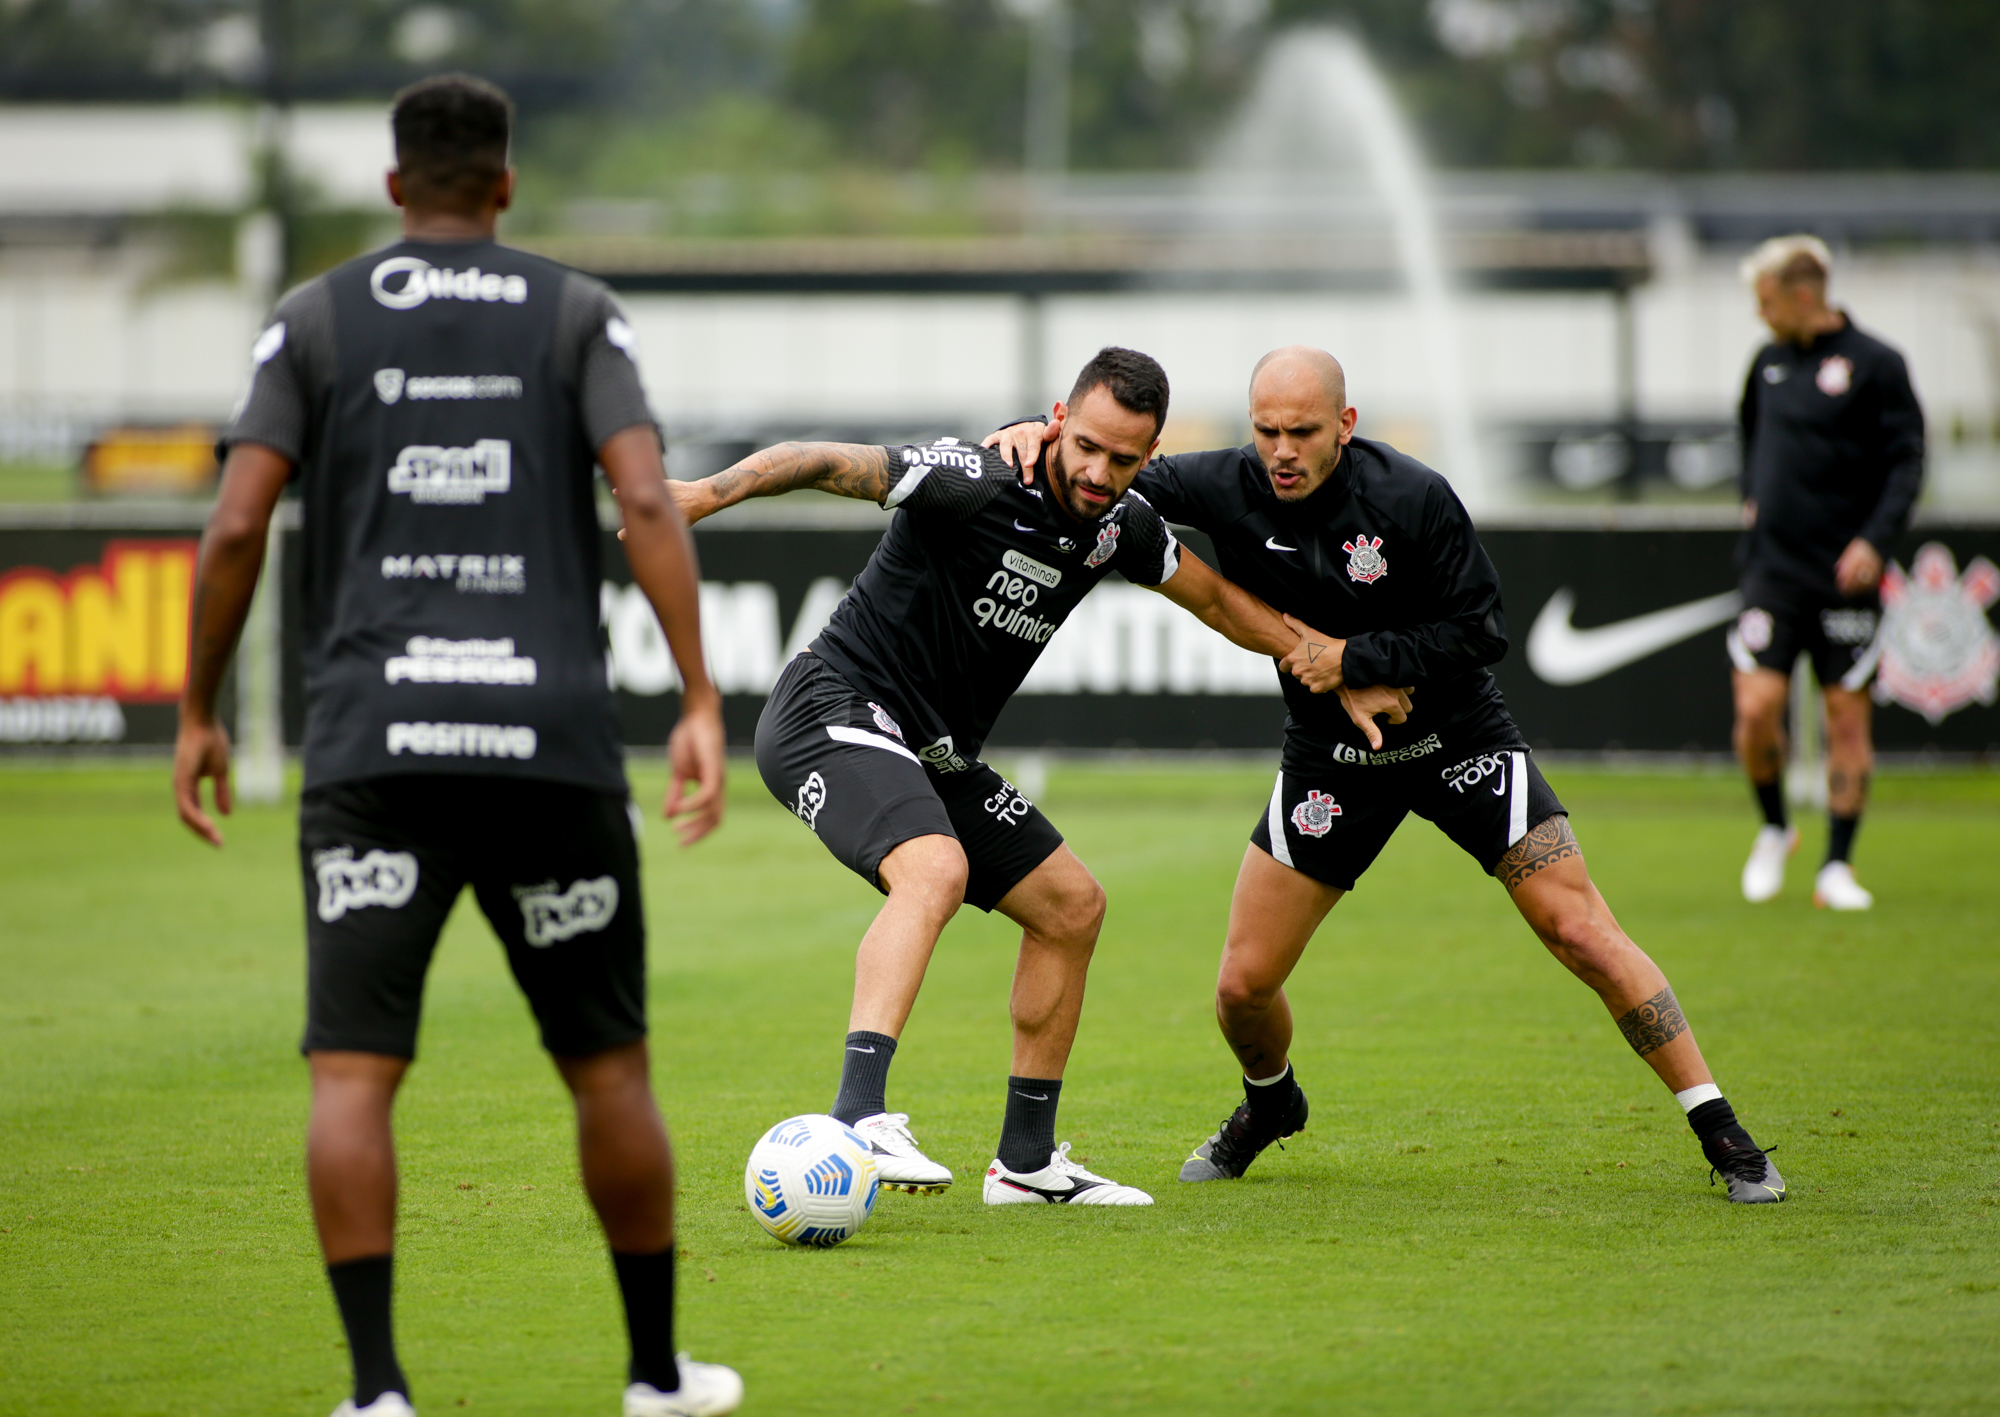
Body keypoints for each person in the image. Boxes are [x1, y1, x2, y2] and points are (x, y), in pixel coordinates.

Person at [172, 75, 742, 1417]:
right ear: (503, 184)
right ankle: (655, 1376)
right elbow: (647, 495)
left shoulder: (313, 319)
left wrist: (198, 709)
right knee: (606, 1066)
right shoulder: (574, 311)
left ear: (392, 189)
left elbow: (237, 526)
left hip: (374, 755)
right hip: (548, 744)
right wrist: (702, 697)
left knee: (355, 1073)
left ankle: (375, 1392)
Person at [987, 345, 1788, 1204]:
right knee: (1241, 989)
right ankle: (1271, 1103)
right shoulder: (1220, 482)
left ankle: (1724, 1132)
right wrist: (1031, 430)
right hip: (1333, 760)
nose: (1282, 450)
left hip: (1459, 740)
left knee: (1581, 930)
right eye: (1266, 431)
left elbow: (1482, 629)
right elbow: (1103, 465)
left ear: (1346, 424)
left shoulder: (1413, 496)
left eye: (1302, 431)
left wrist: (1355, 656)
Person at [662, 347, 1381, 1208]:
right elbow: (822, 462)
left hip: (933, 747)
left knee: (1072, 907)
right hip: (830, 707)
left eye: (1123, 459)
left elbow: (1220, 603)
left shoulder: (1122, 525)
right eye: (1085, 445)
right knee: (934, 866)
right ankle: (857, 1115)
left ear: (1149, 457)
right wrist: (705, 495)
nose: (1096, 470)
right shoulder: (973, 476)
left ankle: (1027, 1164)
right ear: (1056, 419)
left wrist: (1330, 659)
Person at [1730, 235, 1924, 911]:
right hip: (1771, 572)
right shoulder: (1766, 364)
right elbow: (1749, 442)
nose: (1761, 314)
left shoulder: (1877, 365)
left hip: (1845, 577)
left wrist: (1875, 540)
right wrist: (1751, 499)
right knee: (1756, 708)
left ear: (1803, 293)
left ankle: (1836, 865)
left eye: (1766, 300)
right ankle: (1775, 825)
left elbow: (1907, 461)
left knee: (1846, 718)